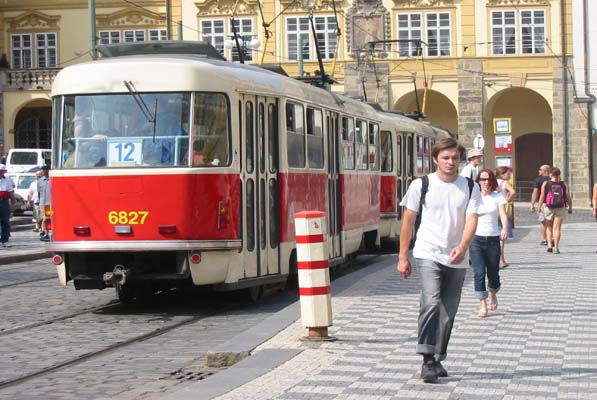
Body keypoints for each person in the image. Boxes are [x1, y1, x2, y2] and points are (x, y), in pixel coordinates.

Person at [397, 137, 481, 383]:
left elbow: (472, 219)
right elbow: (408, 221)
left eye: (454, 158)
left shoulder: (469, 186)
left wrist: (463, 246)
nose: (450, 162)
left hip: (456, 255)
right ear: (435, 159)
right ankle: (427, 358)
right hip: (427, 251)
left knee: (448, 309)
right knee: (431, 301)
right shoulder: (421, 185)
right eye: (445, 158)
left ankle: (437, 356)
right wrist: (403, 256)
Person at [471, 169, 509, 318]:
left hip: (493, 239)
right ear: (478, 181)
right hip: (476, 240)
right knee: (479, 272)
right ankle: (482, 304)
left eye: (488, 179)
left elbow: (503, 215)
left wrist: (505, 228)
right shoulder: (473, 198)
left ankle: (493, 292)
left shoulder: (497, 197)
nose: (486, 182)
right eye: (483, 179)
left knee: (493, 273)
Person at [537, 167, 572, 254]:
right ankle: (556, 247)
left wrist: (539, 207)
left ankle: (549, 245)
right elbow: (567, 197)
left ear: (550, 174)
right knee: (557, 228)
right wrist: (570, 207)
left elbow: (541, 197)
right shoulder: (563, 184)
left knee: (549, 227)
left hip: (548, 207)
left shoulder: (546, 183)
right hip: (560, 207)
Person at [495, 166, 516, 268]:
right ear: (502, 174)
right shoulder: (504, 183)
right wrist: (509, 199)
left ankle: (498, 259)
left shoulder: (493, 182)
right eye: (508, 173)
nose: (510, 175)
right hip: (501, 209)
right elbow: (513, 192)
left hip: (493, 210)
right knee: (501, 238)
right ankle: (501, 260)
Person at [530, 164, 551, 246]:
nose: (539, 171)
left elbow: (535, 193)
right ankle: (552, 239)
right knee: (552, 223)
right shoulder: (553, 179)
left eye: (540, 169)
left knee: (543, 222)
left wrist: (532, 204)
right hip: (554, 204)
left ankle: (545, 239)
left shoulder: (538, 180)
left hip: (543, 204)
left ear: (545, 171)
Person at [0, 164, 17, 247]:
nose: (1, 173)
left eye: (2, 171)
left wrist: (13, 203)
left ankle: (4, 240)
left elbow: (11, 193)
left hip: (4, 202)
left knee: (5, 221)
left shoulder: (7, 180)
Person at [38, 165, 51, 241]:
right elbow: (39, 193)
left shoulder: (53, 179)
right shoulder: (40, 181)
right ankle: (46, 234)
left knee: (52, 219)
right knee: (45, 219)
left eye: (45, 169)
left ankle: (53, 233)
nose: (43, 171)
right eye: (43, 169)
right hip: (43, 203)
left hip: (52, 203)